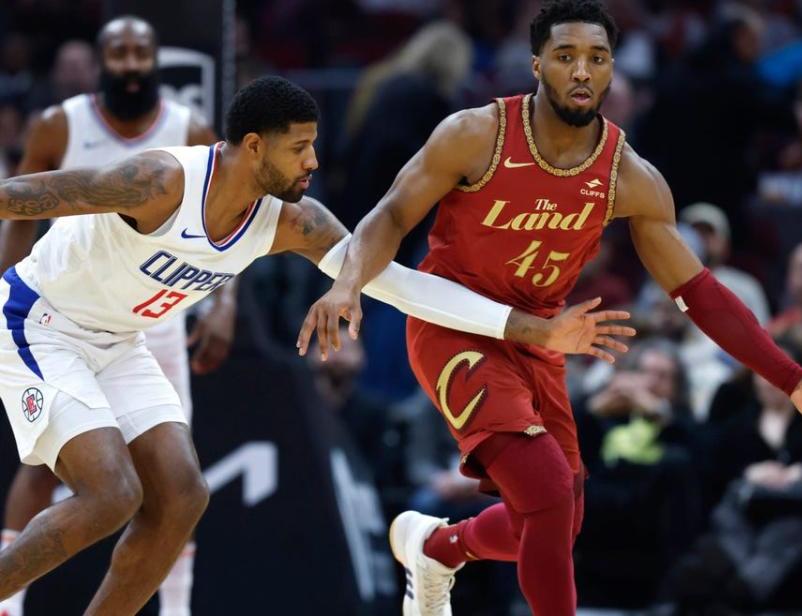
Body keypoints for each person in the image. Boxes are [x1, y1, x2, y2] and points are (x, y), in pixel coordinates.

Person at [312, 0, 802, 616]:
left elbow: (699, 292)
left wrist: (792, 381)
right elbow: (389, 215)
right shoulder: (476, 135)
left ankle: (438, 547)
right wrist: (346, 284)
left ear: (611, 69)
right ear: (537, 66)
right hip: (456, 325)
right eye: (566, 56)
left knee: (550, 524)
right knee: (546, 494)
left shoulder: (630, 176)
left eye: (597, 57)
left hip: (544, 340)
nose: (582, 70)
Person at [0, 74, 631, 616]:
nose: (313, 162)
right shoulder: (160, 181)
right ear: (254, 146)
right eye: (299, 147)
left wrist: (535, 329)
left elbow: (405, 289)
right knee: (112, 493)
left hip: (118, 340)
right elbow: (36, 193)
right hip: (39, 321)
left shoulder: (292, 222)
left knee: (183, 497)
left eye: (314, 146)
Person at [0, 17, 229, 616]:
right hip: (65, 309)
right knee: (54, 466)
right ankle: (10, 604)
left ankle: (174, 609)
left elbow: (229, 228)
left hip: (155, 321)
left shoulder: (190, 128)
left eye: (141, 52)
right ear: (102, 62)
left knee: (177, 482)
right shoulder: (61, 124)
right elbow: (19, 219)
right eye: (119, 53)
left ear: (156, 60)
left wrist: (223, 307)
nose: (131, 63)